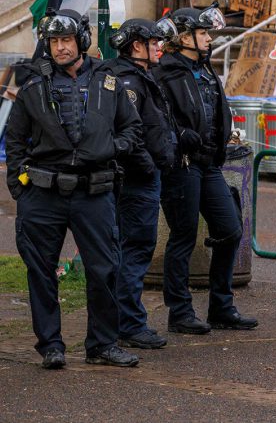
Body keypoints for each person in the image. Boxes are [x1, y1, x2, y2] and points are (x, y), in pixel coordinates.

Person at [6, 10, 142, 368]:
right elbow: (15, 140)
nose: (60, 47)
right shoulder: (32, 82)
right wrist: (19, 187)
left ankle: (102, 345)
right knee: (40, 269)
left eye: (66, 40)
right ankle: (51, 345)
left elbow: (132, 128)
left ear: (81, 40)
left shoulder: (107, 79)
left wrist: (113, 149)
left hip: (94, 193)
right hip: (43, 193)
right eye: (53, 41)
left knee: (104, 269)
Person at [155, 5, 257, 335]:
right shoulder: (166, 73)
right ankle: (180, 312)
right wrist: (179, 138)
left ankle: (221, 307)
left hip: (209, 163)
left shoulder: (204, 68)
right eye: (203, 33)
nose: (209, 39)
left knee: (230, 230)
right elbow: (159, 120)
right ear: (184, 38)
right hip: (182, 166)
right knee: (182, 237)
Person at [106, 18, 178, 350]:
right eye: (154, 42)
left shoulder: (132, 76)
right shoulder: (128, 81)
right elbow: (130, 134)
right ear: (137, 46)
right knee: (134, 250)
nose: (160, 48)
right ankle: (130, 325)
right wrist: (148, 166)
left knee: (130, 249)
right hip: (137, 181)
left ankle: (123, 321)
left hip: (139, 177)